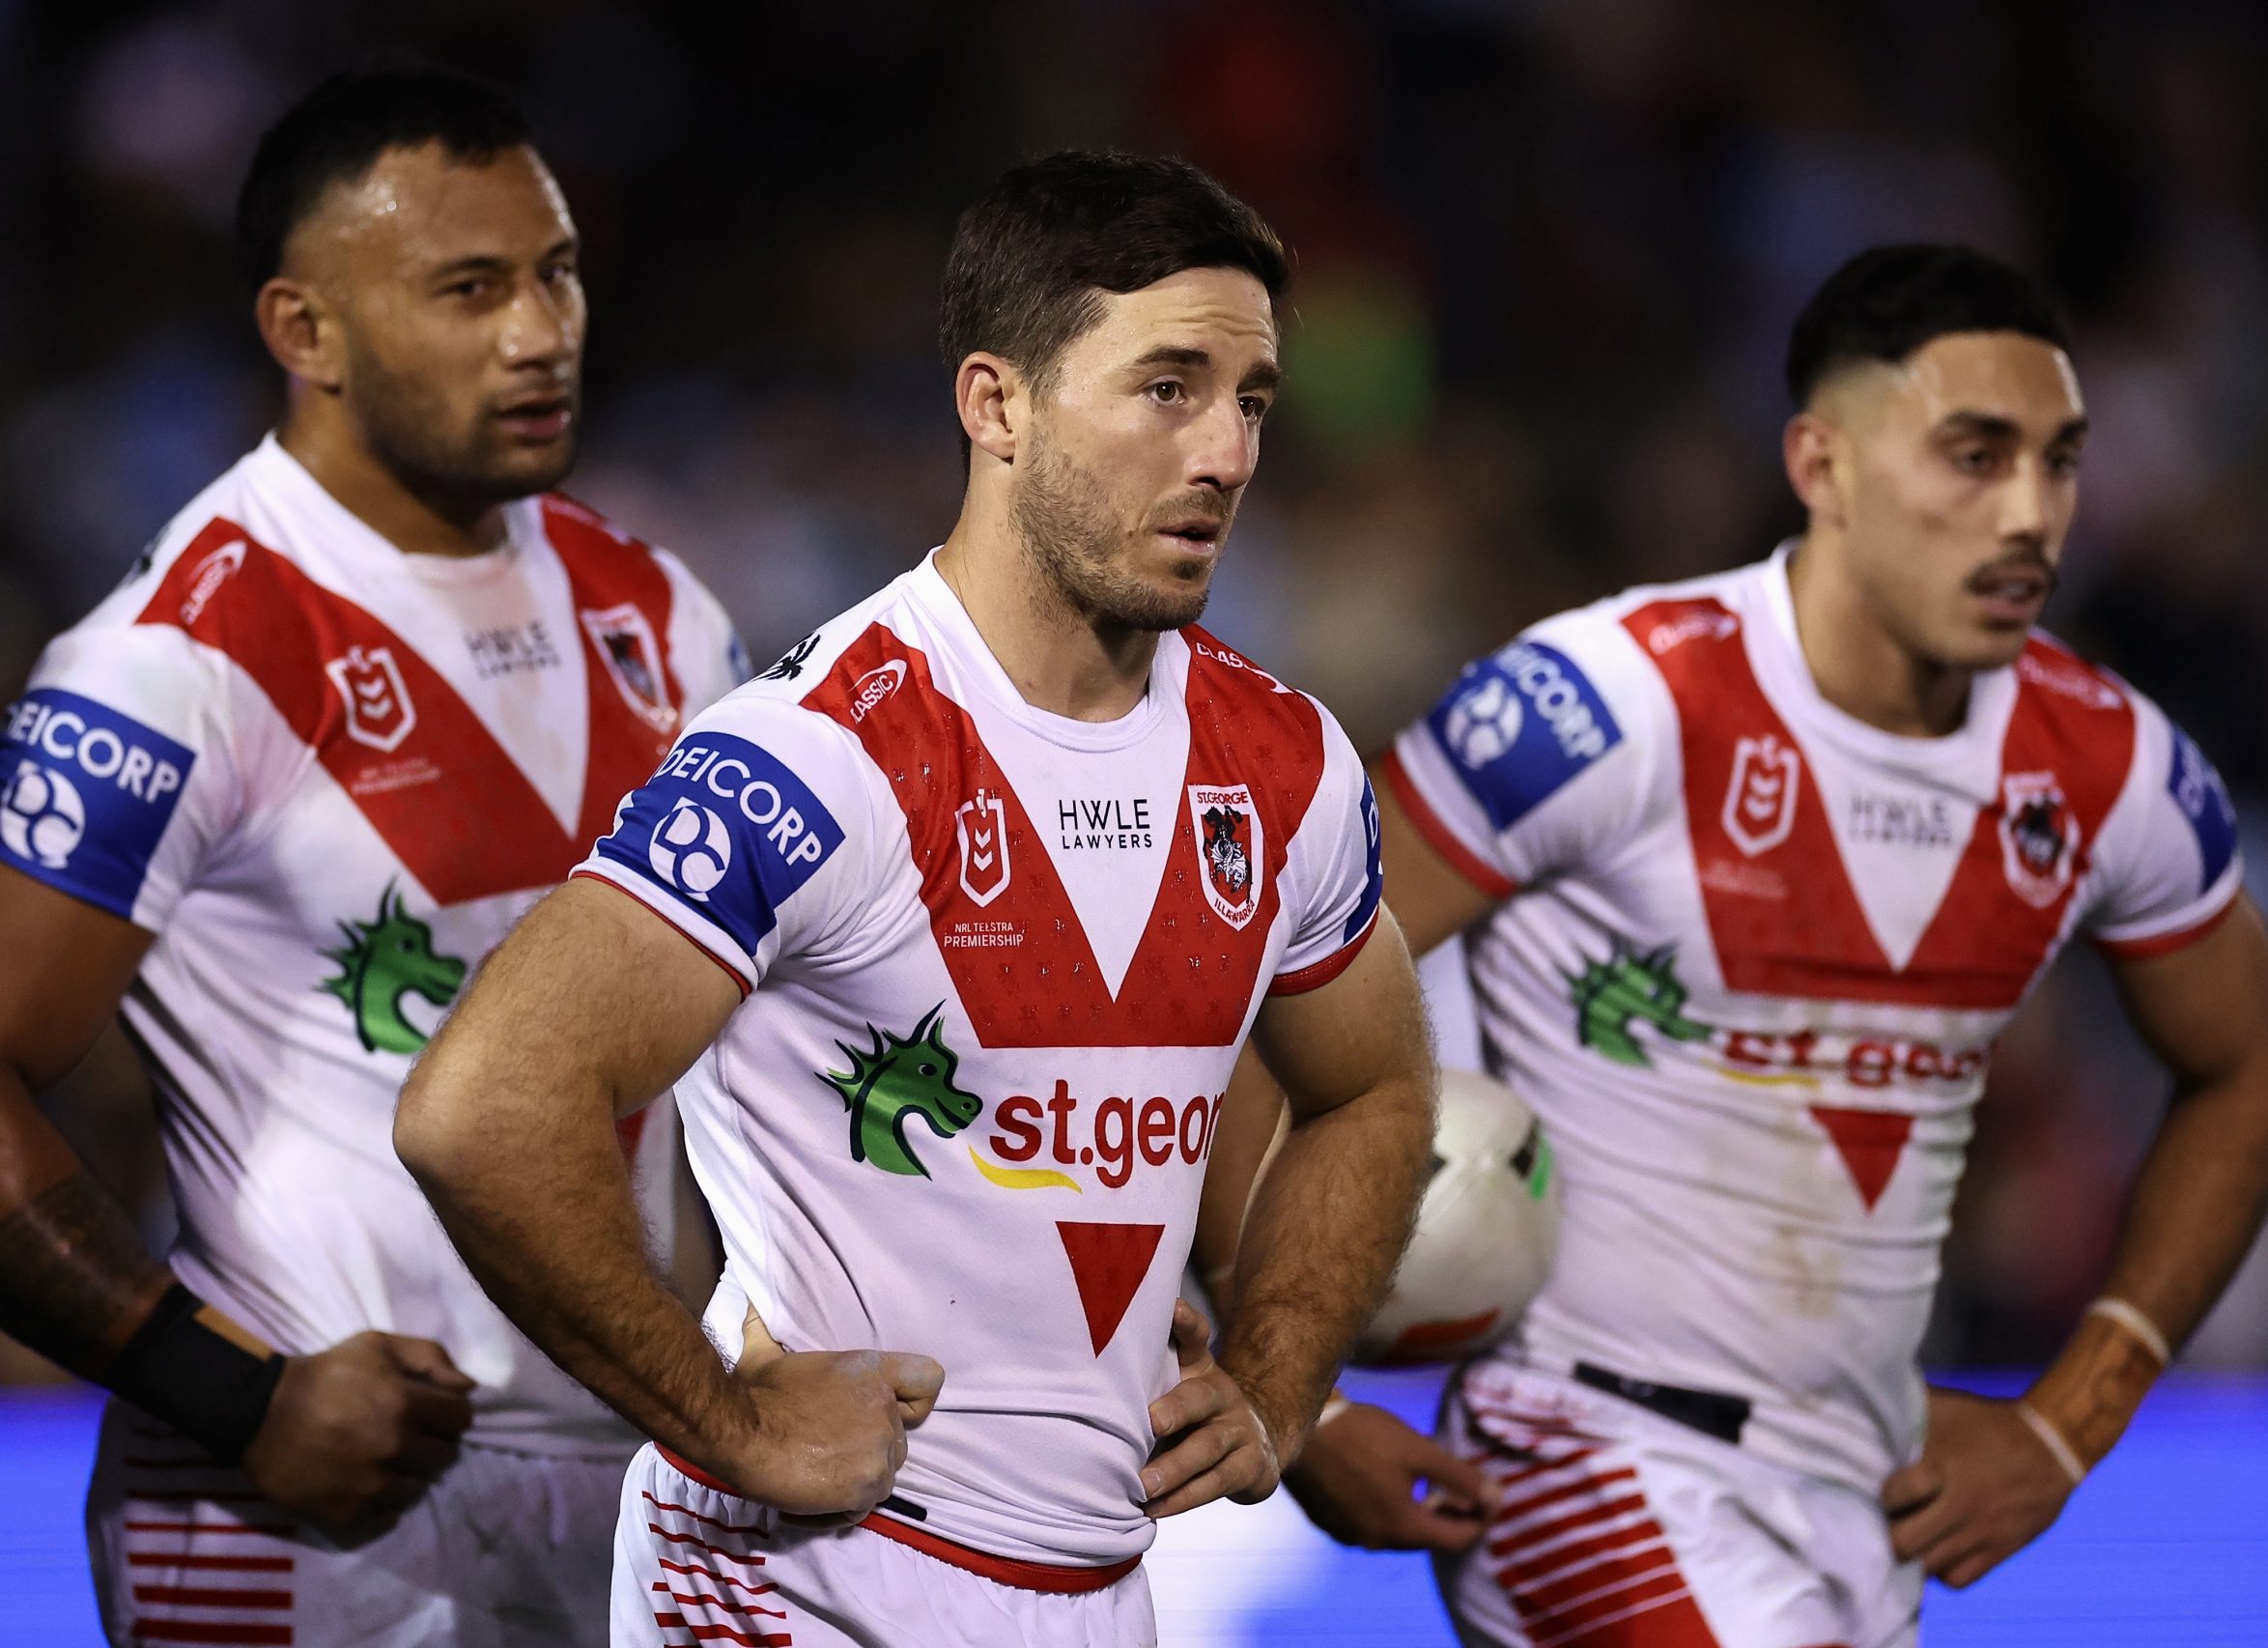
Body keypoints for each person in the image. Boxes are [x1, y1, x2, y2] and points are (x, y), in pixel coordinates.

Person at [393, 149, 1436, 1648]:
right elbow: (480, 1110)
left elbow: (1378, 1089)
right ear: (996, 404)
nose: (1225, 453)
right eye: (1167, 387)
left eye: (1251, 399)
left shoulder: (1287, 768)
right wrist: (729, 1427)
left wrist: (1278, 1381)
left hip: (1097, 1587)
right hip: (796, 1580)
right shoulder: (820, 752)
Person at [1200, 244, 2268, 1646]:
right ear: (1822, 464)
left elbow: (2251, 1072)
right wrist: (1293, 1395)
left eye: (2059, 460)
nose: (2029, 512)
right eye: (1973, 456)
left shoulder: (2112, 769)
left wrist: (2071, 1420)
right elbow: (1248, 974)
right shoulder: (1610, 704)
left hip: (1859, 1489)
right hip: (1577, 1449)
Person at [0, 66, 742, 1647]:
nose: (541, 332)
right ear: (305, 332)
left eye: (557, 273)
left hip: (638, 1487)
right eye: (468, 289)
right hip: (299, 1509)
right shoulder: (170, 661)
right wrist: (230, 1389)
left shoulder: (665, 616)